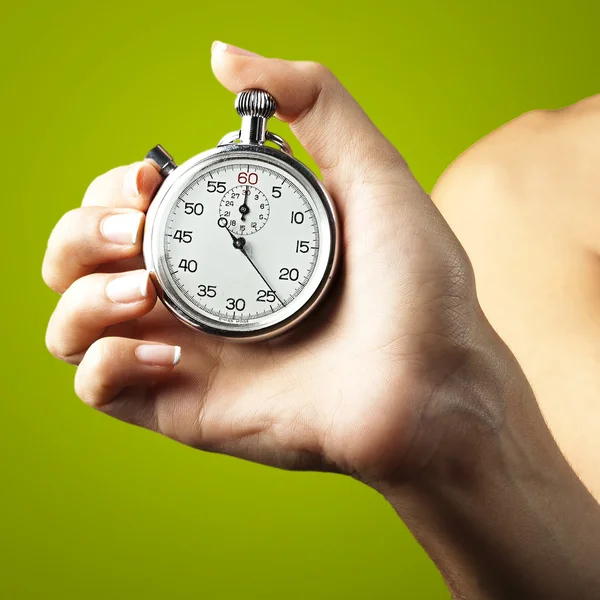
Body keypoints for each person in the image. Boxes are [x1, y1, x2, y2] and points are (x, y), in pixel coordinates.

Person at [42, 42, 600, 599]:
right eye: (229, 229)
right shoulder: (519, 191)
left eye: (247, 232)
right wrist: (447, 432)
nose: (240, 236)